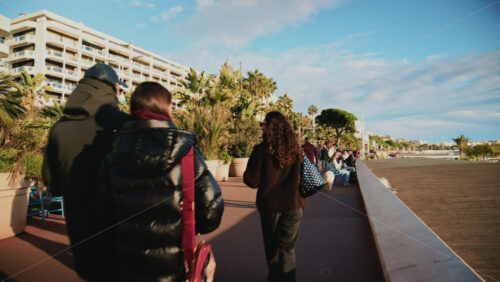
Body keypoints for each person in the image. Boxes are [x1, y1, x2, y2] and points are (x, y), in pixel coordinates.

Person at [99, 82, 224, 281]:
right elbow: (211, 206)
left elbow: (102, 209)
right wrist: (193, 225)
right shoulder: (185, 151)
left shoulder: (113, 152)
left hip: (127, 260)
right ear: (165, 107)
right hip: (175, 262)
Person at [43, 63, 129, 281]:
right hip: (119, 223)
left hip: (78, 221)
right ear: (112, 88)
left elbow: (50, 178)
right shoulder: (123, 123)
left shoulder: (59, 128)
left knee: (91, 273)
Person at [244, 111, 305, 282]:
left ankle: (274, 278)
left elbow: (252, 181)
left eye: (263, 124)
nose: (261, 127)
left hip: (271, 207)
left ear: (270, 128)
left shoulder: (261, 150)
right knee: (288, 250)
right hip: (294, 205)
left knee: (272, 249)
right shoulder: (296, 150)